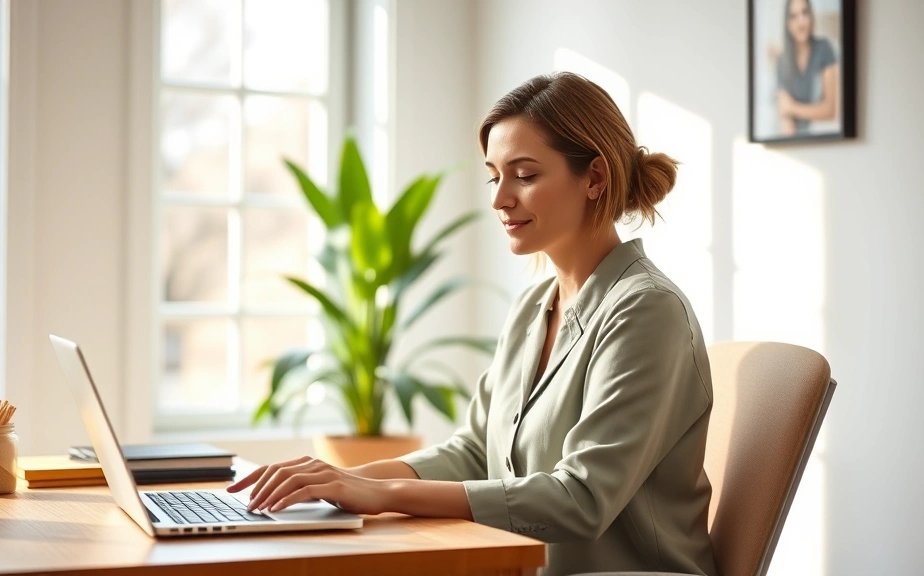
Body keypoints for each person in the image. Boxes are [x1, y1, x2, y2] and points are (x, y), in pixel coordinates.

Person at [228, 72, 719, 576]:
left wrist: (380, 492)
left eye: (524, 175)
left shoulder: (647, 311)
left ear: (594, 177)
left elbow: (582, 497)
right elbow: (473, 450)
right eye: (494, 175)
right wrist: (339, 481)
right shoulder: (534, 307)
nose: (499, 199)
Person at [776, 0, 840, 135]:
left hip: (824, 136)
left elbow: (830, 110)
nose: (801, 22)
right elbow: (784, 113)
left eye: (804, 13)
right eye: (793, 16)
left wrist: (793, 108)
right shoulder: (783, 61)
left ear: (811, 16)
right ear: (787, 23)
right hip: (796, 142)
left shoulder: (825, 49)